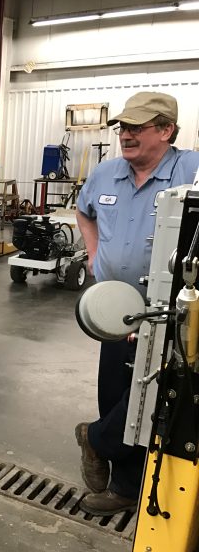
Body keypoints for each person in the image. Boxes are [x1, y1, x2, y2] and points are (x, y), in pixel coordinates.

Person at [76, 91, 199, 516]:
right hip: (117, 307)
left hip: (171, 310)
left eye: (136, 128)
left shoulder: (191, 170)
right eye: (122, 128)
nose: (125, 135)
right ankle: (123, 482)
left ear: (166, 130)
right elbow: (84, 211)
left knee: (156, 395)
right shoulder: (106, 173)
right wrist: (94, 255)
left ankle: (97, 442)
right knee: (115, 391)